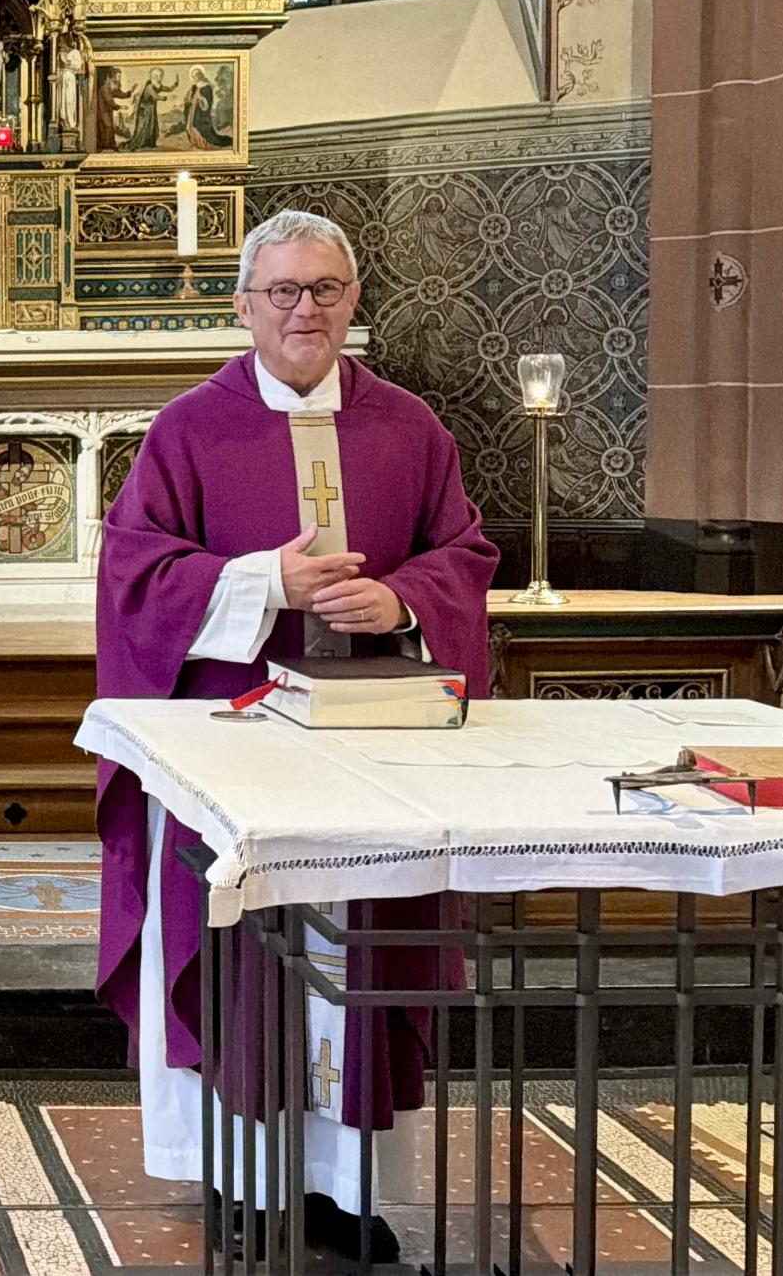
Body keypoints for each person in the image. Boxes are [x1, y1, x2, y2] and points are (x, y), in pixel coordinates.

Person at [93, 209, 496, 1261]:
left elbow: (464, 554)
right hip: (235, 748)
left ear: (354, 301)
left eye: (324, 288)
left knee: (352, 949)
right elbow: (133, 573)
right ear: (243, 306)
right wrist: (262, 581)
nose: (304, 309)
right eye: (282, 291)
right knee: (243, 952)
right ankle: (240, 1181)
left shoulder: (412, 429)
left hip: (374, 746)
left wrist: (402, 602)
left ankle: (344, 1190)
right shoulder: (190, 428)